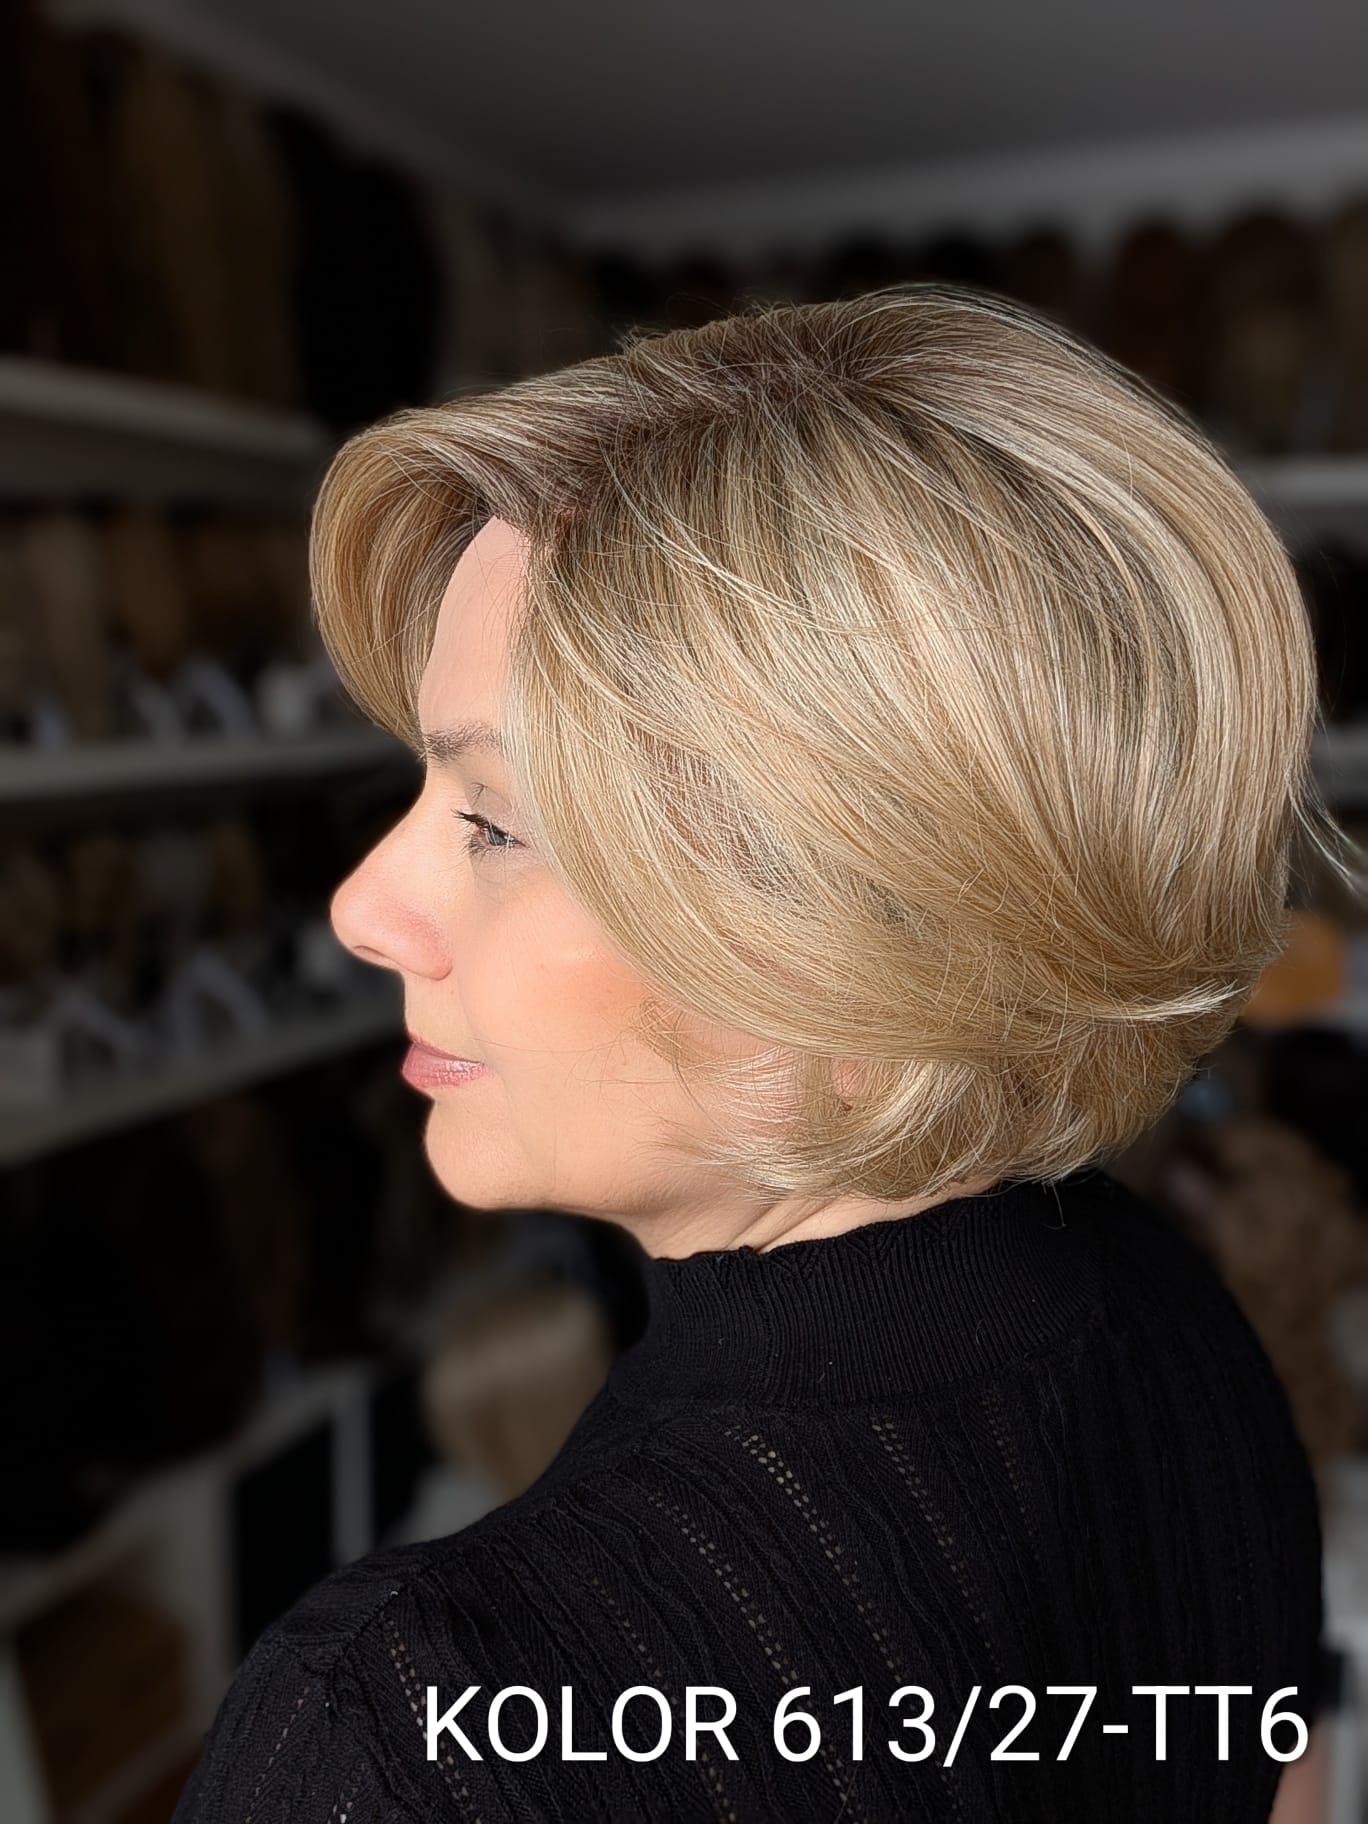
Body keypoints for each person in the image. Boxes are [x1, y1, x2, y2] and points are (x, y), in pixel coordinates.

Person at [171, 284, 1360, 1822]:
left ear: (847, 939)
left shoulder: (417, 1737)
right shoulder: (1165, 1317)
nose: (362, 907)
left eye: (492, 823)